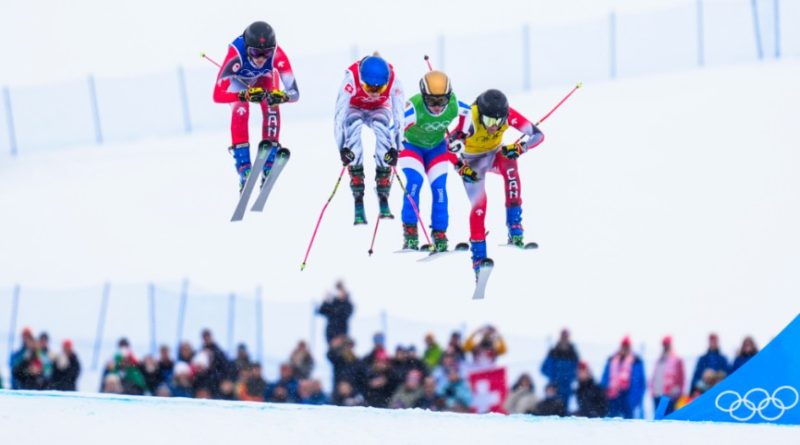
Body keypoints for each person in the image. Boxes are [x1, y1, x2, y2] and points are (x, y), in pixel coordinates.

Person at [449, 89, 545, 275]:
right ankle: (478, 256)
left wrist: (520, 147)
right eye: (489, 121)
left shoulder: (507, 115)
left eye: (498, 121)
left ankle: (515, 228)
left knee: (511, 166)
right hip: (472, 162)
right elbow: (445, 147)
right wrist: (459, 165)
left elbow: (538, 135)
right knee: (480, 204)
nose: (494, 126)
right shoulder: (471, 120)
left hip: (494, 155)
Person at [213, 21, 299, 191]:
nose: (261, 58)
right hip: (238, 82)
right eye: (255, 52)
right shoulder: (235, 54)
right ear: (247, 48)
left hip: (263, 78)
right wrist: (243, 94)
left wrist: (281, 96)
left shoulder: (278, 55)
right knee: (241, 109)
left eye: (266, 53)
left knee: (271, 105)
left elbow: (295, 93)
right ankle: (244, 167)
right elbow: (217, 95)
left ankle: (269, 160)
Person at [398, 70, 470, 251]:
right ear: (423, 97)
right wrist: (389, 149)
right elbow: (395, 127)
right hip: (411, 147)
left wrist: (460, 136)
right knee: (415, 181)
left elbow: (468, 113)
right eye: (431, 101)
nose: (437, 107)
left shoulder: (453, 106)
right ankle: (410, 233)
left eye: (442, 101)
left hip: (436, 148)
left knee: (439, 188)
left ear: (448, 97)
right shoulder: (413, 108)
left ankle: (439, 233)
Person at [335, 54, 405, 224]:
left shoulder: (394, 81)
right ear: (361, 79)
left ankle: (382, 185)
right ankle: (357, 186)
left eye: (379, 89)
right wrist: (342, 149)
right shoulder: (350, 79)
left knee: (382, 127)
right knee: (353, 125)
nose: (374, 93)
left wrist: (396, 148)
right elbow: (339, 115)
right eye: (369, 87)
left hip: (379, 108)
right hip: (355, 107)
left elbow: (398, 116)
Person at [600, 336, 646, 419]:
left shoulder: (636, 361)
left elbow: (641, 382)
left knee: (628, 420)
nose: (625, 348)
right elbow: (605, 377)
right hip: (613, 396)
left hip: (628, 395)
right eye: (624, 346)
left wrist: (636, 398)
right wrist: (604, 393)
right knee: (612, 419)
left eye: (627, 346)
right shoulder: (612, 360)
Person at [540, 328, 579, 408]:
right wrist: (552, 376)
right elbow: (543, 368)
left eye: (566, 336)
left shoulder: (573, 353)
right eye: (563, 336)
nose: (564, 338)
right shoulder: (553, 352)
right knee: (552, 409)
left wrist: (570, 378)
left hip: (566, 387)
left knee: (564, 409)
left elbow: (577, 370)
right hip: (554, 386)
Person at [649, 336, 684, 416]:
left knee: (668, 419)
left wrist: (677, 392)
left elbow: (681, 379)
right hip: (657, 395)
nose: (665, 347)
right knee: (658, 418)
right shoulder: (659, 360)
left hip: (670, 396)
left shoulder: (677, 360)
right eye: (664, 345)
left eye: (667, 345)